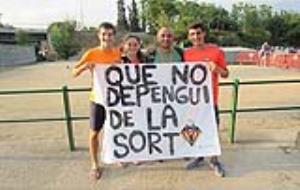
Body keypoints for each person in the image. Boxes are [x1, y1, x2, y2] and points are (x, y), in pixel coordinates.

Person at [72, 22, 121, 180]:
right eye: (104, 34)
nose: (107, 37)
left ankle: (117, 155)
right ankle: (95, 164)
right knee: (94, 133)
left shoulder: (118, 53)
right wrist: (85, 66)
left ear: (114, 36)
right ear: (99, 35)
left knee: (117, 129)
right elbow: (74, 72)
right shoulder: (91, 53)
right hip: (98, 99)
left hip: (116, 98)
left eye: (110, 34)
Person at [183, 22, 229, 177]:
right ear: (189, 37)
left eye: (198, 33)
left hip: (211, 100)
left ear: (204, 34)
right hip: (193, 100)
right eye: (193, 34)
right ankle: (199, 155)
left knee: (213, 130)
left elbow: (225, 73)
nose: (196, 37)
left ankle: (214, 160)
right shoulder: (186, 53)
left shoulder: (216, 51)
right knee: (194, 128)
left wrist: (217, 68)